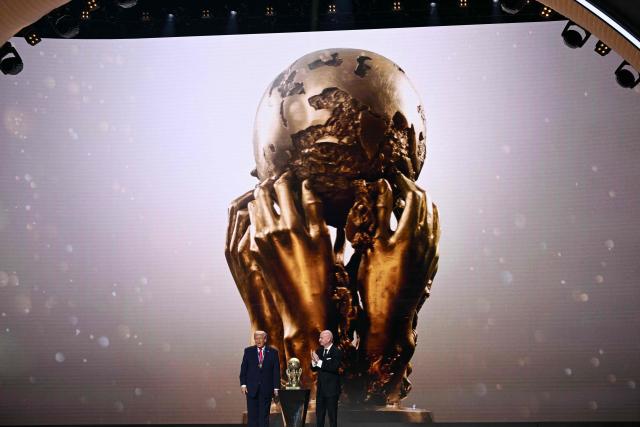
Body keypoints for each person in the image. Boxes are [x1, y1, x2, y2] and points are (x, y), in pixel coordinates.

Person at [240, 330, 281, 427]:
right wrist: (243, 384)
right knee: (252, 417)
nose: (258, 341)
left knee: (264, 417)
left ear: (265, 339)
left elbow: (276, 372)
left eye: (260, 338)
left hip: (266, 389)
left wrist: (276, 388)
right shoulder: (248, 351)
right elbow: (243, 370)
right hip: (251, 389)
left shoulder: (273, 352)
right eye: (256, 338)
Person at [311, 330, 342, 427]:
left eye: (321, 338)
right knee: (319, 417)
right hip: (320, 390)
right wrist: (313, 361)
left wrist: (318, 361)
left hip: (332, 391)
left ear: (328, 339)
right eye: (319, 337)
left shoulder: (336, 351)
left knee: (332, 417)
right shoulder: (319, 351)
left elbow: (333, 367)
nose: (319, 340)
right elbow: (313, 369)